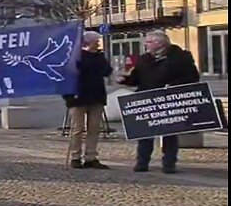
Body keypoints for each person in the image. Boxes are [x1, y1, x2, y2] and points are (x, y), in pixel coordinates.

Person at [120, 30, 201, 173]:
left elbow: (193, 78)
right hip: (147, 100)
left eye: (149, 42)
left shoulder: (180, 57)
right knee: (144, 133)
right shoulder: (144, 59)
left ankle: (169, 164)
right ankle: (142, 162)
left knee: (169, 134)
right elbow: (137, 79)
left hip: (169, 100)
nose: (146, 45)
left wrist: (174, 86)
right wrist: (125, 80)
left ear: (160, 43)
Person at [64, 31, 113, 170]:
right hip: (78, 97)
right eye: (95, 41)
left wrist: (99, 57)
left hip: (96, 96)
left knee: (94, 128)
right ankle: (75, 156)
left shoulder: (98, 57)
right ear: (88, 43)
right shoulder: (75, 57)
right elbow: (67, 77)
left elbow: (107, 72)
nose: (98, 44)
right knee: (78, 129)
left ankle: (91, 157)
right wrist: (68, 96)